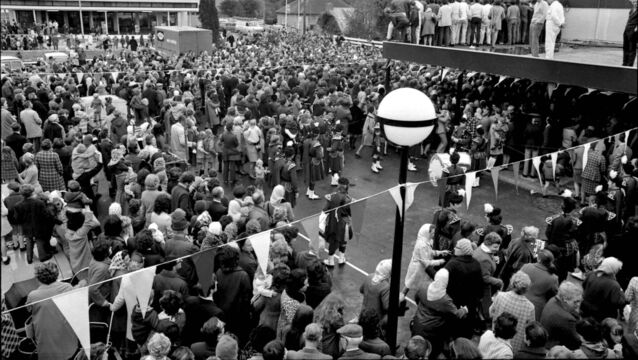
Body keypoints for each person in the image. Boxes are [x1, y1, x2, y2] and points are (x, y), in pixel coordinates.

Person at [412, 268, 468, 358]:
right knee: (431, 353)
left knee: (415, 350)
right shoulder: (445, 300)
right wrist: (464, 310)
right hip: (433, 332)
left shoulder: (424, 286)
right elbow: (456, 315)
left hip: (417, 325)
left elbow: (417, 299)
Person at [26, 262, 78, 359]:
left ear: (38, 278)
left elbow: (28, 309)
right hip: (67, 338)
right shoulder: (67, 287)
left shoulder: (33, 295)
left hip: (47, 340)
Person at [489, 271, 536, 353]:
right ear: (527, 289)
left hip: (496, 338)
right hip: (514, 346)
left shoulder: (500, 296)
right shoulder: (530, 307)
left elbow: (490, 313)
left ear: (512, 283)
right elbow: (530, 329)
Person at [581, 257, 627, 322]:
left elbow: (583, 285)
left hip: (585, 309)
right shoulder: (614, 285)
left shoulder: (591, 274)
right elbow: (618, 302)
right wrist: (621, 293)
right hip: (602, 316)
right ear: (613, 269)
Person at [540, 281, 583, 350]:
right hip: (553, 349)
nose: (578, 305)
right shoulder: (567, 319)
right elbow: (577, 341)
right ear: (564, 299)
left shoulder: (553, 300)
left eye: (580, 301)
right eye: (576, 302)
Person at [521, 249, 559, 320]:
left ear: (538, 259)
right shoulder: (553, 278)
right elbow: (555, 294)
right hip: (536, 308)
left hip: (520, 299)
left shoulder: (526, 267)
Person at [322, 177, 353, 267]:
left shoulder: (332, 196)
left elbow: (325, 210)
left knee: (334, 241)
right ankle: (341, 258)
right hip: (346, 222)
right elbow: (351, 213)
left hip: (335, 223)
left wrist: (328, 201)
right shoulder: (349, 198)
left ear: (338, 185)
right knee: (344, 240)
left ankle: (330, 260)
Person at [622, 0, 638, 66]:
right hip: (626, 30)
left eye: (636, 2)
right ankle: (624, 63)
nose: (635, 3)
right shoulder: (632, 9)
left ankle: (629, 64)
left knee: (632, 49)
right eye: (633, 2)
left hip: (633, 32)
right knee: (625, 47)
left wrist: (636, 29)